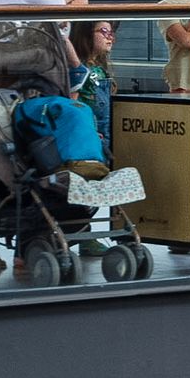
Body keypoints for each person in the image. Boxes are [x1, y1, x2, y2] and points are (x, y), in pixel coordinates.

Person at [71, 19, 117, 256]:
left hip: (104, 134)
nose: (111, 37)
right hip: (91, 136)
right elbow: (74, 103)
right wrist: (86, 129)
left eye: (111, 32)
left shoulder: (99, 69)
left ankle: (84, 233)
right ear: (87, 35)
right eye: (104, 31)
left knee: (96, 186)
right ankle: (83, 235)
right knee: (85, 185)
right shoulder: (80, 69)